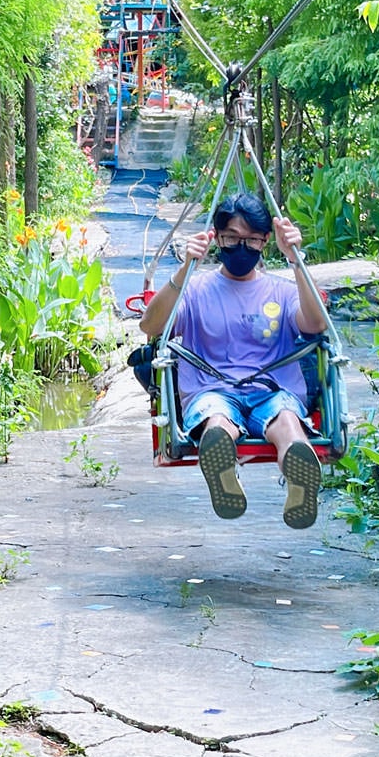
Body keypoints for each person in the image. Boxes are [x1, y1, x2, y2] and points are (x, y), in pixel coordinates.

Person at [140, 192, 327, 528]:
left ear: (265, 241)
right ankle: (223, 469)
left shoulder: (281, 291)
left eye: (252, 240)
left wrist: (296, 260)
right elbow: (150, 326)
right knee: (217, 423)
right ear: (216, 238)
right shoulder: (195, 290)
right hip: (212, 391)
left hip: (273, 390)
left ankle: (300, 478)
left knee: (286, 422)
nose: (242, 248)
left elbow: (315, 324)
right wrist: (185, 269)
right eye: (232, 238)